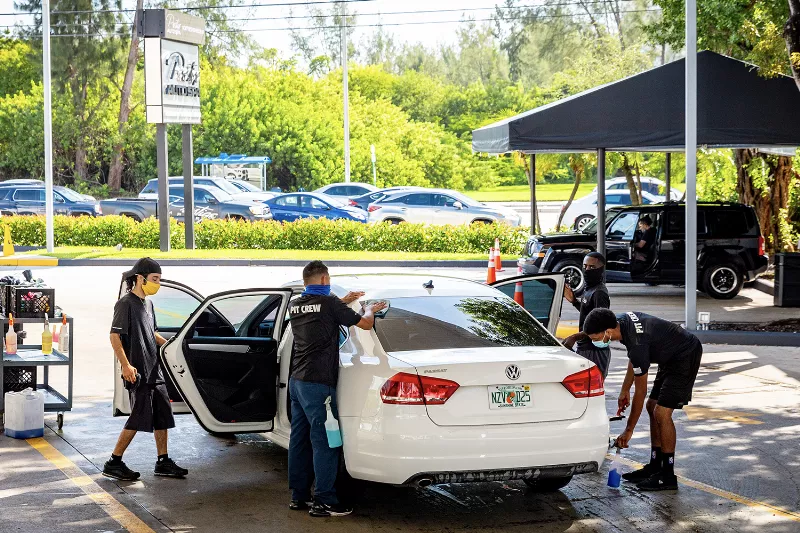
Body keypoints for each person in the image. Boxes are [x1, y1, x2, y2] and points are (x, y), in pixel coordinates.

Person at [288, 260, 386, 517]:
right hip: (318, 384)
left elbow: (321, 311)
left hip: (297, 382)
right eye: (328, 279)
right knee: (326, 442)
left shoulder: (296, 304)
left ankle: (299, 497)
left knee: (299, 440)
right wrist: (370, 309)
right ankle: (325, 501)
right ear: (323, 280)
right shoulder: (329, 303)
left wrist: (343, 300)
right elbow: (364, 324)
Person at [582, 309, 702, 491]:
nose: (595, 342)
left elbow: (641, 391)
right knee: (651, 406)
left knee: (661, 412)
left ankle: (667, 476)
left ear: (608, 331)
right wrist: (624, 390)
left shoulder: (635, 340)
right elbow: (635, 357)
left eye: (596, 338)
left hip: (685, 354)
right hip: (669, 355)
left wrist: (628, 430)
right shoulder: (621, 323)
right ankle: (655, 465)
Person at [103, 258, 188, 481]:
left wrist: (172, 345)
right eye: (155, 279)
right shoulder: (126, 303)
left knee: (162, 415)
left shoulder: (148, 304)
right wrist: (126, 365)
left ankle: (163, 461)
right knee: (139, 416)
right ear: (140, 278)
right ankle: (114, 461)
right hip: (137, 371)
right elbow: (114, 336)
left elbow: (152, 333)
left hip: (154, 369)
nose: (157, 284)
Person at [562, 252, 612, 377]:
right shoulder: (589, 289)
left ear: (601, 269)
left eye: (592, 267)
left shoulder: (599, 293)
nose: (587, 270)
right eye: (585, 266)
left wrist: (575, 337)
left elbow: (599, 325)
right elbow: (590, 315)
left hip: (595, 350)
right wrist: (574, 301)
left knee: (591, 389)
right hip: (584, 348)